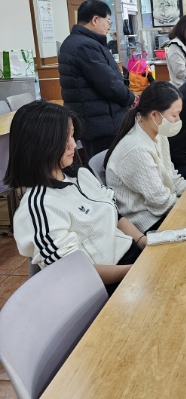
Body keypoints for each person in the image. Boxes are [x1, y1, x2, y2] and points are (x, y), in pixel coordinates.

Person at [8, 100, 147, 295]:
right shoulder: (38, 207)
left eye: (72, 135)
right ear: (40, 143)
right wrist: (134, 271)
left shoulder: (81, 175)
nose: (73, 144)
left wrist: (143, 241)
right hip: (105, 286)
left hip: (131, 258)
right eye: (64, 138)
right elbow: (76, 271)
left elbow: (115, 215)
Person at [105, 82, 186, 234]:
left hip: (161, 209)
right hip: (145, 222)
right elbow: (160, 201)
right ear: (154, 115)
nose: (178, 120)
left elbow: (172, 176)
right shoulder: (137, 149)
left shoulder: (159, 133)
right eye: (174, 115)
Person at [58, 0, 135, 162]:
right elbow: (109, 84)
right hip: (100, 124)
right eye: (108, 21)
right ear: (95, 19)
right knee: (108, 167)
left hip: (96, 120)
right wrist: (131, 98)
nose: (109, 27)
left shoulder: (78, 42)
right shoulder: (85, 46)